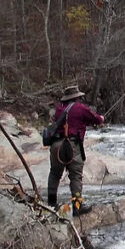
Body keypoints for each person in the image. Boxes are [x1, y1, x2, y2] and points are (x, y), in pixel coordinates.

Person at [46, 84, 104, 215]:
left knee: (54, 174)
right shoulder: (80, 108)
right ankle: (77, 207)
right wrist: (101, 119)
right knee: (75, 177)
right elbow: (96, 119)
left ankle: (50, 204)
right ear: (76, 98)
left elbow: (71, 122)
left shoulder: (59, 110)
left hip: (56, 145)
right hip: (71, 146)